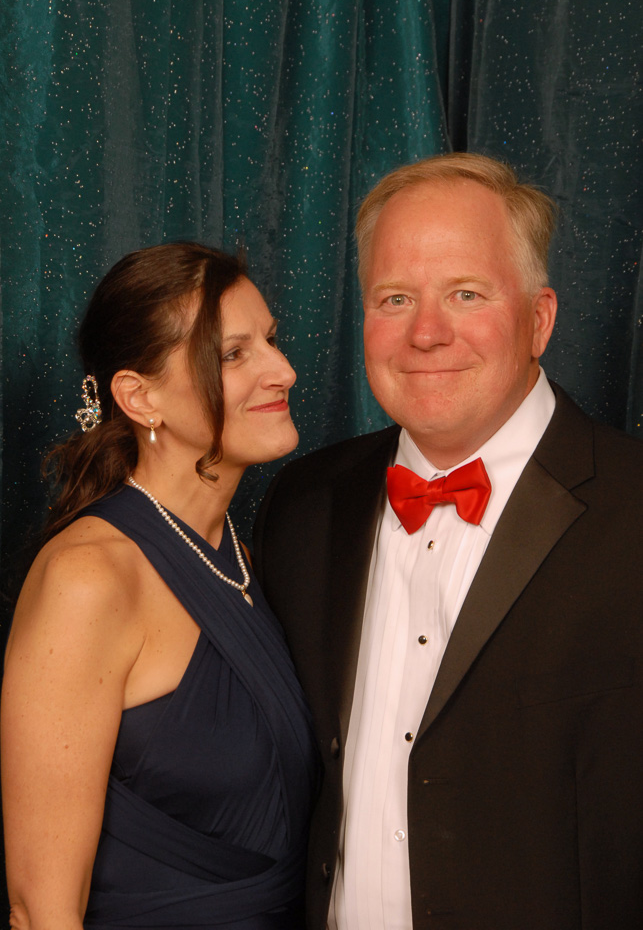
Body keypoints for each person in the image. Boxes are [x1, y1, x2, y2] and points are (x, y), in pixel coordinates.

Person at [253, 153, 643, 930]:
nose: (426, 333)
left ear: (538, 319)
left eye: (466, 294)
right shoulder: (301, 504)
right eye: (394, 298)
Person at [1, 242, 318, 930]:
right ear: (139, 397)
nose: (283, 371)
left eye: (271, 341)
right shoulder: (88, 579)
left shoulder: (242, 556)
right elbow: (40, 909)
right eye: (233, 355)